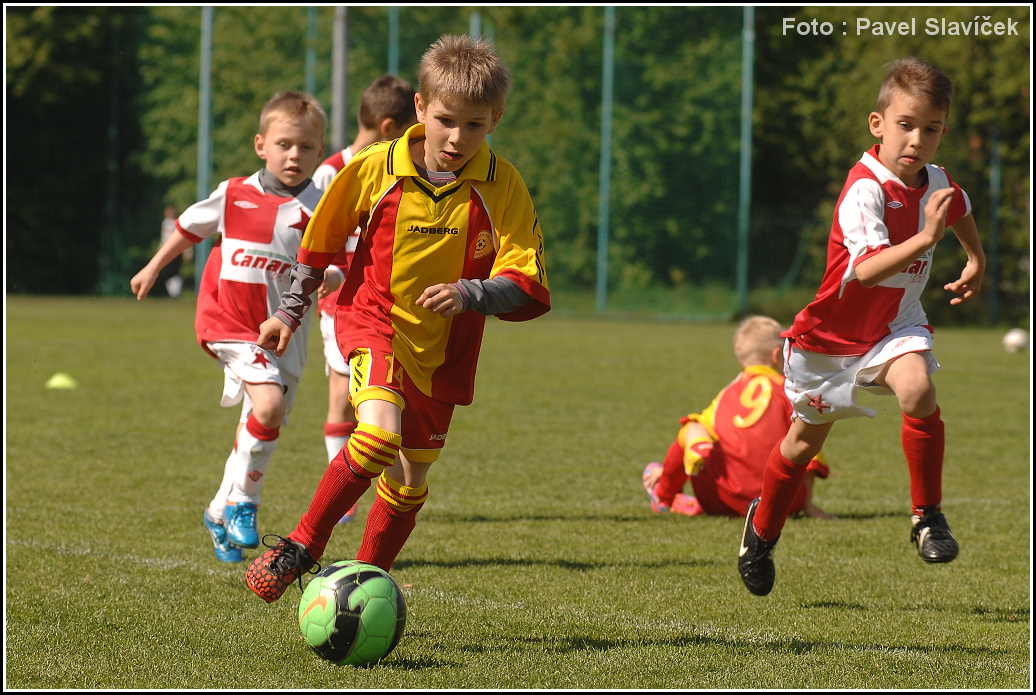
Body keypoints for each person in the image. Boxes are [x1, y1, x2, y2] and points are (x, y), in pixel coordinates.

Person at [244, 34, 550, 603]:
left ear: (496, 119)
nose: (457, 138)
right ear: (420, 108)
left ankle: (362, 588)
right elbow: (322, 238)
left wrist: (473, 292)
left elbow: (525, 277)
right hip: (374, 320)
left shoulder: (502, 183)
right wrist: (289, 309)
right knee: (378, 435)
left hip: (445, 350)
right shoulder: (376, 165)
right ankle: (303, 545)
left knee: (409, 482)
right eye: (446, 120)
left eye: (475, 125)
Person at [738, 57, 986, 597]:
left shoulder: (935, 179)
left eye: (932, 129)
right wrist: (926, 239)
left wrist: (975, 257)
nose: (917, 140)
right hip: (829, 342)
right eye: (906, 125)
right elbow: (869, 270)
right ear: (878, 124)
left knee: (918, 389)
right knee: (800, 447)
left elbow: (957, 204)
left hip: (895, 324)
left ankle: (928, 517)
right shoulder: (864, 189)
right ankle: (762, 531)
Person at [130, 90, 328, 563]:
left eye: (305, 147)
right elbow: (189, 227)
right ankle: (245, 502)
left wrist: (334, 276)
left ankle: (218, 512)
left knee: (262, 418)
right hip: (230, 320)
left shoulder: (323, 207)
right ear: (261, 145)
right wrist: (154, 267)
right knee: (270, 404)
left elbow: (340, 258)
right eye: (284, 144)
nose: (294, 155)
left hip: (286, 334)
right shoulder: (234, 192)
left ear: (319, 151)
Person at [310, 75, 417, 525]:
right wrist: (329, 274)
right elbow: (318, 235)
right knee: (343, 396)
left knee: (376, 402)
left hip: (386, 303)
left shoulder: (400, 170)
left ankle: (375, 487)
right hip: (341, 302)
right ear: (390, 127)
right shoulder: (331, 172)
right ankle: (346, 497)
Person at [642, 316, 834, 520]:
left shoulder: (729, 393)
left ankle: (664, 494)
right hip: (783, 503)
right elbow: (809, 448)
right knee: (803, 438)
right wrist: (806, 504)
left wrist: (669, 469)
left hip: (724, 500)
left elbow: (702, 425)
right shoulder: (791, 394)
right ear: (778, 356)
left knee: (691, 428)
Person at [158, 206, 193, 298]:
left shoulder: (177, 223)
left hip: (175, 250)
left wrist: (187, 250)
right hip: (166, 250)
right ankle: (172, 293)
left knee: (174, 271)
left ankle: (175, 293)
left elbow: (183, 237)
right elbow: (164, 238)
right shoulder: (165, 223)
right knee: (168, 272)